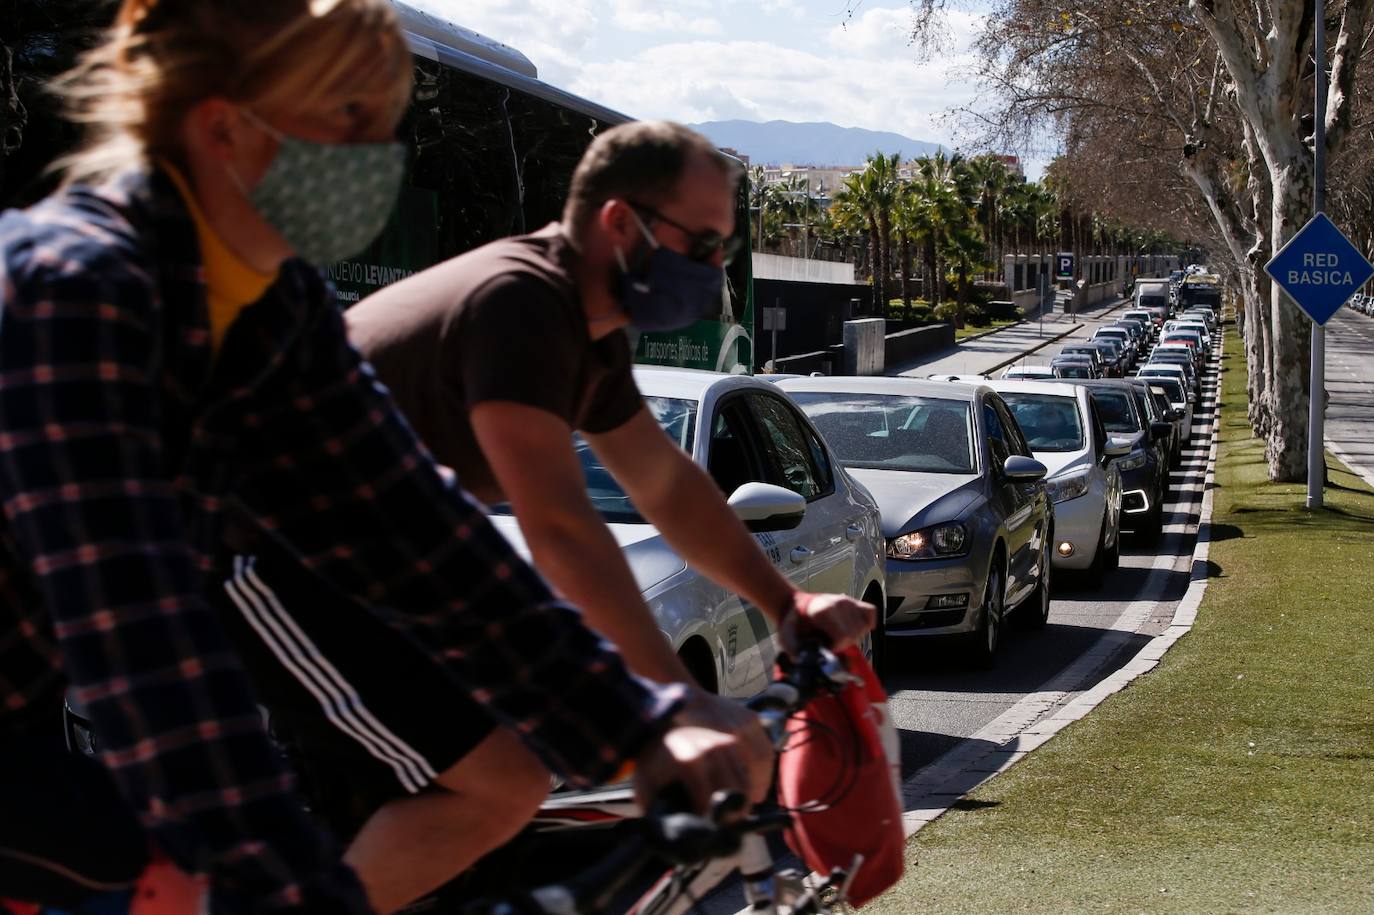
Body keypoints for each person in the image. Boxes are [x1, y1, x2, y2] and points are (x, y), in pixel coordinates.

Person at [0, 3, 767, 913]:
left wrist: (642, 722)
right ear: (222, 124)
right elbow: (141, 639)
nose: (380, 159)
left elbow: (421, 531)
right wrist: (282, 875)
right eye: (349, 121)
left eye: (387, 124)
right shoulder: (74, 293)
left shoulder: (270, 312)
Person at [335, 121, 875, 721]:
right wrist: (679, 707)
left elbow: (666, 486)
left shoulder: (592, 335)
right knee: (495, 780)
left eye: (724, 249)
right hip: (283, 545)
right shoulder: (520, 303)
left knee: (524, 770)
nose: (714, 268)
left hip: (389, 564)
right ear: (619, 222)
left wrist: (788, 606)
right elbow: (561, 528)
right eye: (700, 245)